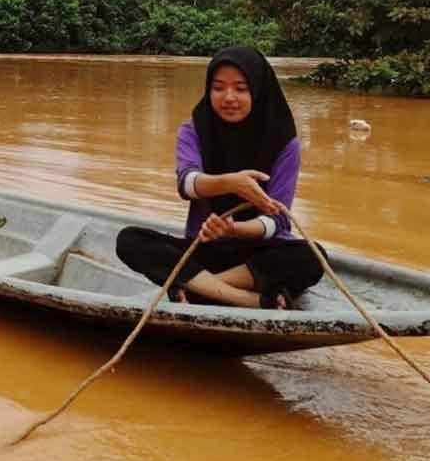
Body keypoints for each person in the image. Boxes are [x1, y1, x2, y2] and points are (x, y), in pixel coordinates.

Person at [116, 47, 325, 309]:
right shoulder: (194, 130)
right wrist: (230, 182)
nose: (229, 97)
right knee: (130, 240)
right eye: (218, 88)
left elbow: (278, 220)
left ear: (258, 91)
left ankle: (198, 290)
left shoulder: (285, 143)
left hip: (257, 255)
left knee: (313, 256)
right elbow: (187, 184)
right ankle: (252, 300)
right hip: (203, 249)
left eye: (240, 88)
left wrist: (234, 229)